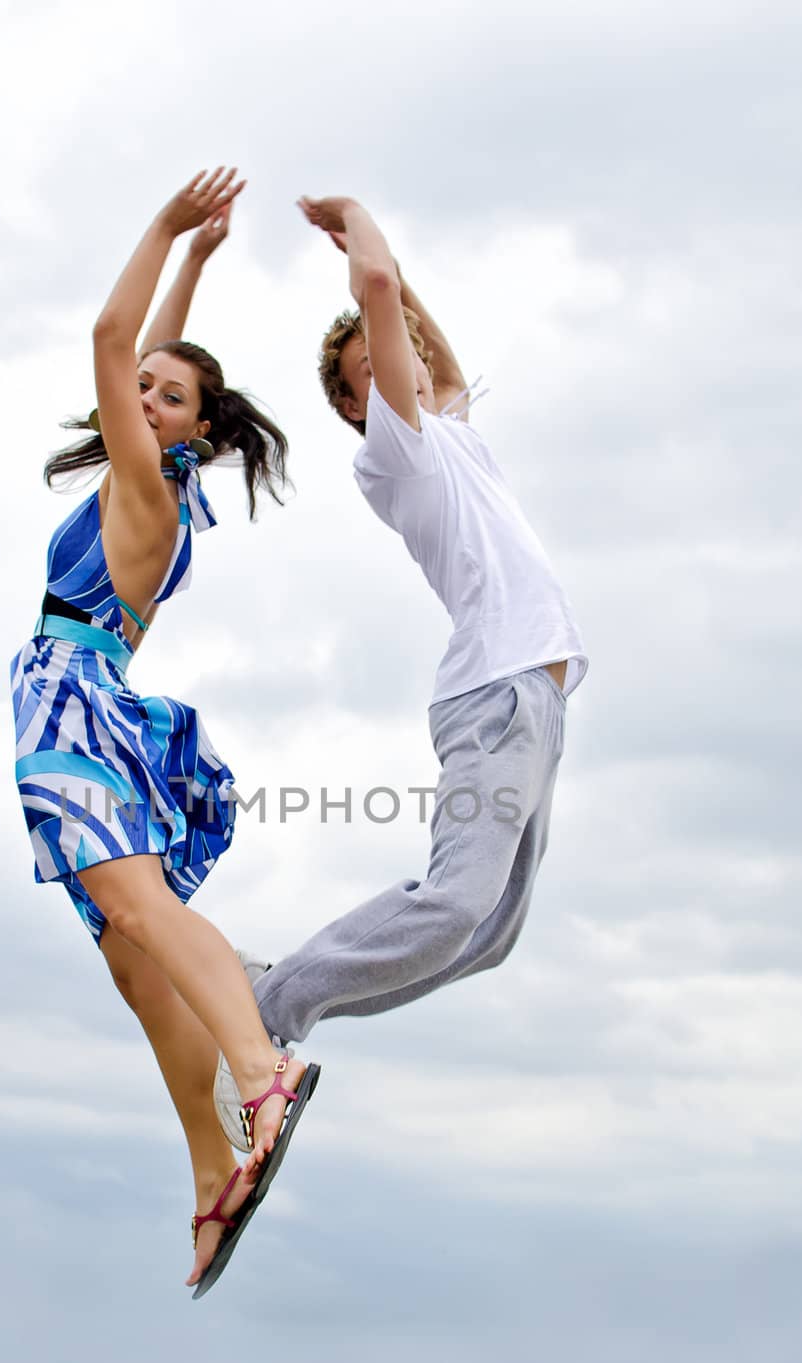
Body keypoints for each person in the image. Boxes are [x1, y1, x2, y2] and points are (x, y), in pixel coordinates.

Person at [217, 194, 587, 1135]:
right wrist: (360, 227)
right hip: (494, 695)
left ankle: (278, 1002)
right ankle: (262, 1017)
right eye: (371, 367)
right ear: (356, 403)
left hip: (536, 704)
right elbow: (378, 292)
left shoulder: (453, 432)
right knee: (455, 902)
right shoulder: (400, 456)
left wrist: (401, 298)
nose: (401, 363)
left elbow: (432, 349)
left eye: (401, 353)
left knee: (488, 935)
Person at [11, 170, 318, 1296]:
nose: (140, 395)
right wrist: (196, 264)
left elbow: (106, 334)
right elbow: (147, 358)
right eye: (139, 387)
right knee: (135, 969)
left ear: (193, 429)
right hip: (84, 695)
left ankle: (261, 1071)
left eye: (164, 394)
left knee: (143, 907)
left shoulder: (145, 487)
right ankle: (209, 1173)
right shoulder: (158, 487)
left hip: (76, 700)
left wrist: (158, 226)